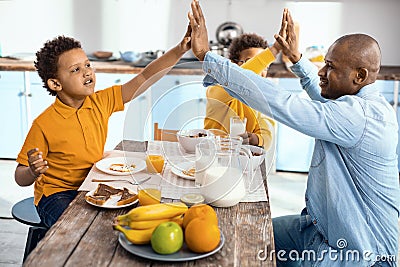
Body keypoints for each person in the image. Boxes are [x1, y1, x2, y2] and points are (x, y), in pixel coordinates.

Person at [188, 1, 399, 266]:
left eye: (330, 67)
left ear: (359, 75)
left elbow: (282, 103)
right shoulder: (351, 104)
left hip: (358, 254)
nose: (322, 71)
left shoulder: (360, 117)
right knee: (243, 233)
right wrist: (297, 60)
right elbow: (318, 94)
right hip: (319, 230)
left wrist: (208, 56)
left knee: (247, 246)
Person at [14, 26, 192, 228]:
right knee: (74, 228)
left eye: (87, 65)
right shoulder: (44, 123)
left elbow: (144, 78)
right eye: (76, 70)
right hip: (57, 194)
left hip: (92, 182)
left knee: (122, 218)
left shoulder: (101, 101)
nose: (87, 72)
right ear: (56, 84)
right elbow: (20, 177)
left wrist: (179, 50)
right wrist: (33, 171)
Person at [204, 33, 276, 149]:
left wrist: (256, 139)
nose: (260, 71)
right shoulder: (218, 89)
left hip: (244, 157)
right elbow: (240, 78)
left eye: (265, 66)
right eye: (251, 63)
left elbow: (267, 133)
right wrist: (273, 51)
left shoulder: (263, 97)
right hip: (214, 154)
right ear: (233, 64)